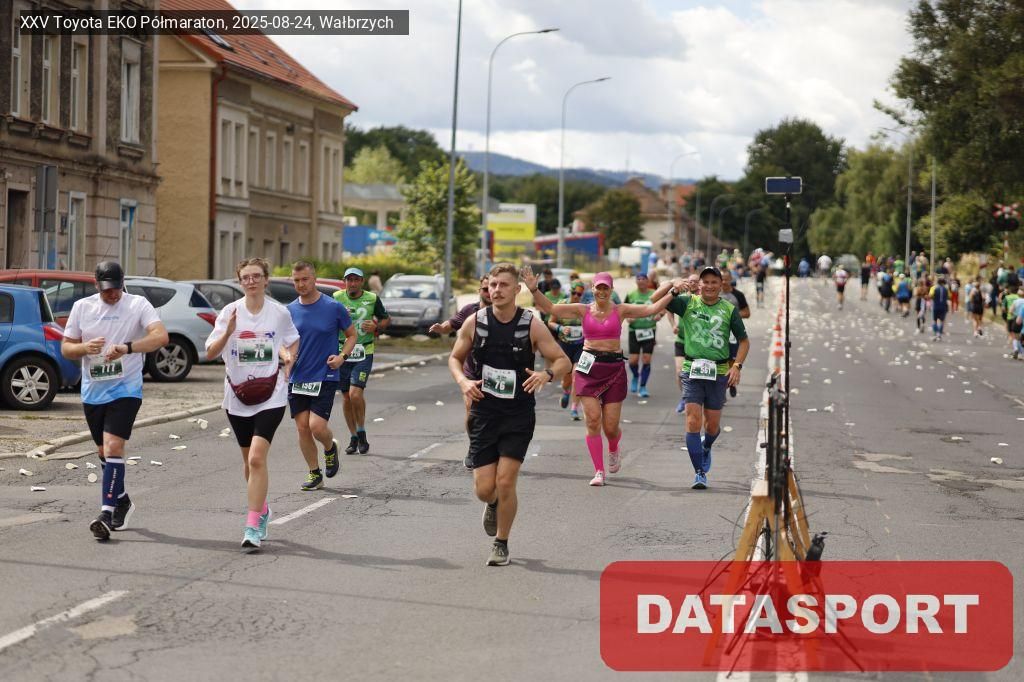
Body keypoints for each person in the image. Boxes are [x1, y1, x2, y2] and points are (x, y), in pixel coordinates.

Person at [448, 263, 571, 566]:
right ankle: (492, 503)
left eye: (503, 285)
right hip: (484, 412)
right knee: (484, 489)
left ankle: (501, 542)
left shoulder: (531, 325)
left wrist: (546, 375)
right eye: (493, 285)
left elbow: (563, 361)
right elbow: (455, 358)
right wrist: (463, 381)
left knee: (505, 482)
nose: (497, 290)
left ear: (517, 290)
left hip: (518, 413)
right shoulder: (475, 322)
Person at [526, 269, 676, 486]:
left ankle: (613, 447)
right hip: (588, 369)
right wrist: (533, 290)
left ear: (611, 289)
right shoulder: (582, 310)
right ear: (593, 289)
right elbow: (551, 308)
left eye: (606, 288)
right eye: (599, 288)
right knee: (593, 420)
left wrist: (673, 292)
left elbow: (651, 309)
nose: (602, 292)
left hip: (613, 369)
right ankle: (598, 471)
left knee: (611, 427)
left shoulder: (621, 310)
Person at [62, 261, 169, 541]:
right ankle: (122, 500)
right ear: (97, 285)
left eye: (117, 289)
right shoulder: (83, 307)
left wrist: (128, 348)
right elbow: (66, 348)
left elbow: (160, 336)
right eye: (107, 290)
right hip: (93, 391)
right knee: (104, 452)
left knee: (113, 447)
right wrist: (84, 347)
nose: (113, 294)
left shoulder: (137, 304)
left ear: (123, 283)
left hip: (126, 388)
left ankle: (106, 514)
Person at [206, 258, 299, 551]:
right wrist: (228, 331)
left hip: (272, 394)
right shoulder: (229, 312)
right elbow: (210, 353)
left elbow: (292, 340)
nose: (251, 281)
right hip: (237, 395)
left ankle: (252, 527)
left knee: (258, 458)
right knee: (249, 463)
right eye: (246, 277)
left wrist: (289, 361)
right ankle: (263, 509)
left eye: (256, 276)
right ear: (240, 281)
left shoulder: (279, 312)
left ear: (266, 279)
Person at [661, 266, 748, 489]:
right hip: (692, 369)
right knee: (692, 421)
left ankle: (707, 446)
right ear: (699, 284)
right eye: (705, 282)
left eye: (713, 282)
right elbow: (657, 300)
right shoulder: (688, 302)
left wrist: (736, 366)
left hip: (718, 372)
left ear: (721, 285)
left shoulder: (729, 309)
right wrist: (673, 285)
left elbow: (744, 341)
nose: (709, 286)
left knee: (712, 426)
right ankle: (699, 472)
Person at [287, 261, 357, 491]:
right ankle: (314, 473)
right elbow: (282, 342)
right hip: (298, 377)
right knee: (302, 428)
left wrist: (342, 357)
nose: (301, 284)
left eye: (305, 279)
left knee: (316, 427)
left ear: (314, 279)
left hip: (325, 375)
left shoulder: (333, 307)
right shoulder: (289, 310)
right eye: (296, 280)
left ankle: (329, 447)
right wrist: (286, 357)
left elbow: (352, 335)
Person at [333, 267, 390, 455]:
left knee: (355, 394)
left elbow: (386, 320)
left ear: (362, 282)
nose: (352, 283)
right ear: (344, 281)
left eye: (356, 280)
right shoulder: (337, 297)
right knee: (346, 397)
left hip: (364, 351)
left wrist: (376, 326)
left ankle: (362, 431)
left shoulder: (372, 299)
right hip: (342, 352)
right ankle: (353, 437)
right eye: (349, 280)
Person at [547, 280, 586, 420]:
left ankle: (574, 408)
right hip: (565, 346)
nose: (576, 296)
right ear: (570, 292)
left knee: (577, 375)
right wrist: (560, 328)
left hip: (581, 346)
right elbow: (550, 322)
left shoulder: (585, 307)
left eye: (579, 294)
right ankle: (566, 391)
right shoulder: (562, 305)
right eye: (574, 293)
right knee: (567, 379)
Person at [625, 273, 661, 399]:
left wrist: (660, 315)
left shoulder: (654, 294)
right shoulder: (631, 295)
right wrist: (628, 318)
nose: (641, 281)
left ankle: (643, 386)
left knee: (646, 359)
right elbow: (624, 309)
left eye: (643, 279)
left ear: (647, 281)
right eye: (638, 279)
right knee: (633, 360)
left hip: (649, 330)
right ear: (636, 281)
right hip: (634, 331)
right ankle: (636, 376)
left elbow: (663, 307)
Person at [719, 271, 750, 398]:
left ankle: (730, 382)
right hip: (718, 334)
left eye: (726, 279)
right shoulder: (715, 294)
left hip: (733, 335)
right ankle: (721, 392)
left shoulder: (738, 295)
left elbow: (747, 313)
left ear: (731, 279)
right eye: (722, 279)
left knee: (732, 362)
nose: (724, 282)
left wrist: (733, 315)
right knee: (720, 360)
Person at [929, 277, 950, 342]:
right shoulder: (946, 289)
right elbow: (949, 296)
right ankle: (939, 334)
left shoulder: (934, 288)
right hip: (943, 306)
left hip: (936, 305)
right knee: (942, 321)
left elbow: (930, 295)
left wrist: (933, 298)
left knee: (934, 320)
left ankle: (936, 334)